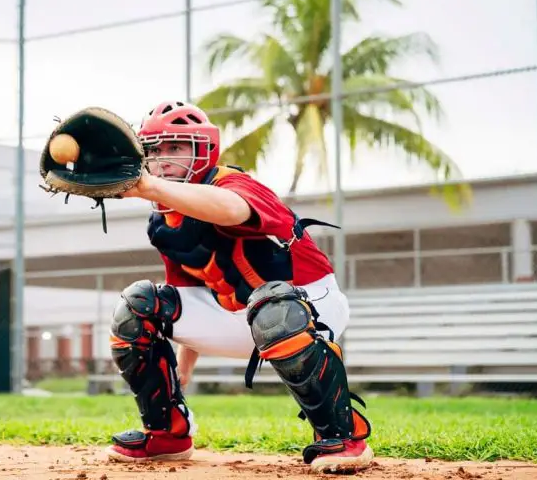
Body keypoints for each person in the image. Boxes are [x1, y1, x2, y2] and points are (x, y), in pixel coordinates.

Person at [104, 100, 373, 473]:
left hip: (309, 305)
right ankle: (167, 434)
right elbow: (185, 290)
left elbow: (230, 210)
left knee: (272, 305)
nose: (163, 158)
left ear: (205, 150)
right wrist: (182, 370)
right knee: (138, 303)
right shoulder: (163, 219)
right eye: (154, 149)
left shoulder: (235, 183)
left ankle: (344, 438)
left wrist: (148, 186)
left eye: (176, 147)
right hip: (238, 314)